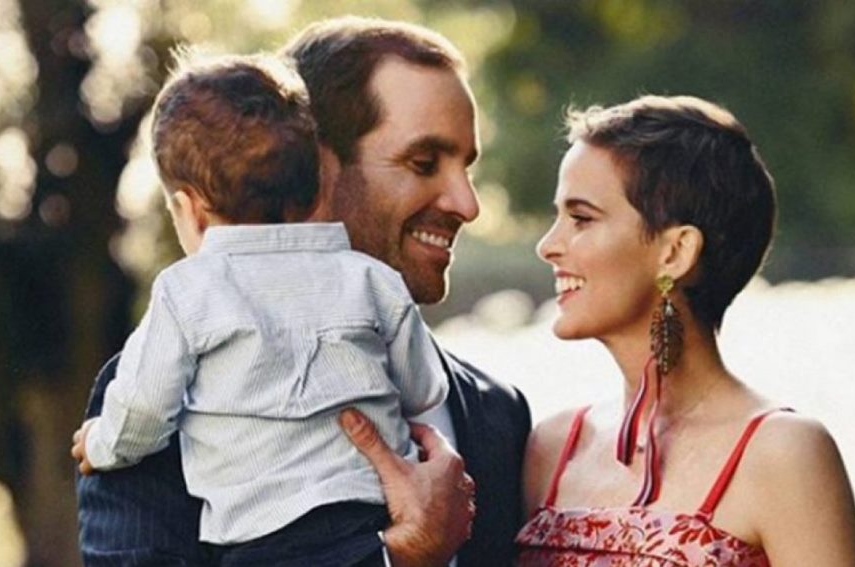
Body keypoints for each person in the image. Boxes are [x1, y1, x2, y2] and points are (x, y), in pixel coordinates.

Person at [75, 16, 530, 567]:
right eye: (424, 163)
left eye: (466, 167)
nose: (467, 204)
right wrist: (400, 556)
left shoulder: (499, 412)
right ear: (320, 167)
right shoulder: (159, 394)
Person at [515, 95, 855, 565]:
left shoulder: (783, 453)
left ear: (675, 252)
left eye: (581, 218)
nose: (548, 245)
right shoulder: (552, 447)